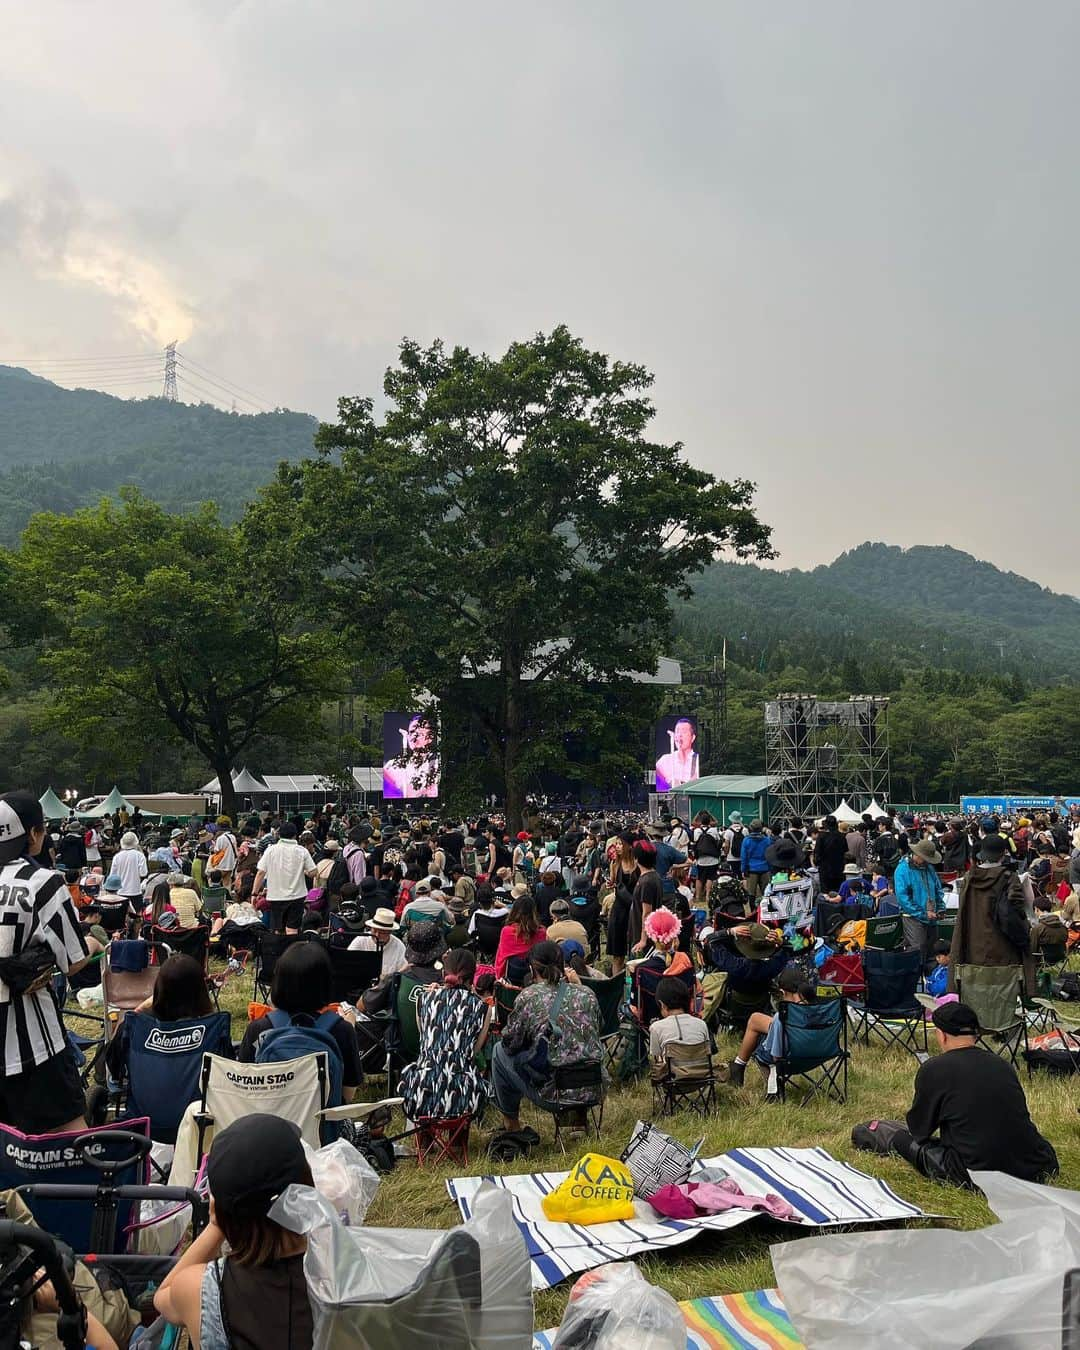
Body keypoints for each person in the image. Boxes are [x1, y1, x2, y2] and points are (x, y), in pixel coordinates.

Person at [154, 1113, 315, 1350]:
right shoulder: (344, 1277)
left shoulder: (199, 1289)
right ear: (308, 1185)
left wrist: (216, 1227)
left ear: (223, 1212)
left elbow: (162, 1298)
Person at [877, 1002, 1057, 1187]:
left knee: (900, 1138)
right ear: (976, 1035)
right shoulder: (1002, 1064)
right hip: (1033, 1165)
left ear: (942, 1035)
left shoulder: (934, 1069)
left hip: (975, 1171)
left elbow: (919, 1131)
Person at [0, 792, 90, 1134]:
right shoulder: (43, 883)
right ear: (34, 834)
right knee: (71, 1138)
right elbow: (75, 961)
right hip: (34, 1044)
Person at [490, 941, 603, 1135]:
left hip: (555, 1093)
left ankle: (511, 1125)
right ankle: (578, 1120)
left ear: (533, 968)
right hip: (593, 1088)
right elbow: (599, 1027)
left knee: (498, 1051)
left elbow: (510, 1042)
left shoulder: (529, 997)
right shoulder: (586, 993)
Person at [239, 942, 363, 1098]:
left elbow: (243, 1089)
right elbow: (347, 1095)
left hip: (269, 1119)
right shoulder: (342, 1030)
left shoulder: (259, 1028)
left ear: (279, 981)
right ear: (325, 984)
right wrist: (350, 1027)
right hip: (321, 1121)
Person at [398, 948, 491, 1122]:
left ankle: (425, 1142)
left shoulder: (424, 999)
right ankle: (457, 1146)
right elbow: (474, 1050)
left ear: (443, 972)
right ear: (473, 976)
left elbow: (425, 1040)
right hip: (465, 1098)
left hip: (421, 1093)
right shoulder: (483, 1008)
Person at [950, 832, 1035, 995]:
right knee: (1003, 991)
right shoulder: (1009, 878)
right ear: (1003, 853)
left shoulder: (969, 878)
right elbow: (1016, 913)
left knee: (979, 992)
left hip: (974, 943)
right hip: (1003, 945)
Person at [728, 966, 815, 1088]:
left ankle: (739, 1066)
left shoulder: (783, 1017)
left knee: (762, 1040)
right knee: (756, 1019)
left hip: (789, 1057)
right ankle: (738, 1065)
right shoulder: (820, 1010)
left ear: (783, 992)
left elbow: (776, 1056)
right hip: (816, 1054)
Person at [252, 823, 316, 934]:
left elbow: (261, 872)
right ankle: (292, 949)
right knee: (292, 928)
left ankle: (279, 949)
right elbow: (313, 872)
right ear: (295, 836)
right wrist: (303, 870)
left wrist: (254, 893)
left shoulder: (271, 850)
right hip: (297, 896)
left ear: (279, 835)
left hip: (276, 896)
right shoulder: (302, 851)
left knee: (278, 929)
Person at [893, 838, 944, 959]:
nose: (928, 862)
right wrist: (923, 914)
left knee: (933, 948)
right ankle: (917, 976)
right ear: (917, 855)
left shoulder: (929, 868)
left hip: (931, 915)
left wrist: (941, 907)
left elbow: (937, 888)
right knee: (918, 949)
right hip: (912, 917)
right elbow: (903, 898)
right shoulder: (902, 870)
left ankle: (930, 975)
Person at [648, 974, 710, 1060]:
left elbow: (657, 1059)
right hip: (703, 1072)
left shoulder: (656, 1028)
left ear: (662, 1005)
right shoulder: (701, 1024)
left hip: (673, 1072)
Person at [382, 713, 440, 799]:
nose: (414, 735)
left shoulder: (437, 765)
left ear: (430, 737)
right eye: (412, 731)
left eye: (419, 731)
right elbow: (389, 791)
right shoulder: (392, 766)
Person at [494, 892, 547, 982]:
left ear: (515, 910)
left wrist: (499, 977)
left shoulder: (506, 931)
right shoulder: (541, 932)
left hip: (512, 978)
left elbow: (501, 959)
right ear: (534, 912)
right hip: (534, 978)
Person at [347, 905, 408, 976]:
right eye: (374, 930)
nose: (377, 935)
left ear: (390, 932)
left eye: (382, 932)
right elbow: (348, 964)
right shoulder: (360, 940)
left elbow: (403, 971)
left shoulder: (398, 946)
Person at [629, 839, 664, 954]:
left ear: (637, 859)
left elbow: (647, 912)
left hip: (645, 935)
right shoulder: (654, 876)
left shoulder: (646, 882)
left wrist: (643, 939)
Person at [108, 830, 147, 929]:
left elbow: (112, 875)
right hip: (135, 891)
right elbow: (144, 873)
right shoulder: (140, 855)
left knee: (122, 916)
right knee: (137, 917)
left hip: (120, 891)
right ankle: (136, 935)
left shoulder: (117, 856)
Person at [655, 718, 699, 792]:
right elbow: (658, 782)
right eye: (677, 732)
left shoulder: (697, 760)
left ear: (693, 737)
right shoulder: (664, 760)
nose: (679, 735)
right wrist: (668, 784)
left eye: (684, 732)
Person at [813, 816, 848, 892]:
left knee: (825, 891)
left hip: (825, 868)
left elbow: (817, 852)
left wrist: (817, 862)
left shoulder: (821, 836)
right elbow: (845, 850)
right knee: (839, 890)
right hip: (839, 868)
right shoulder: (841, 836)